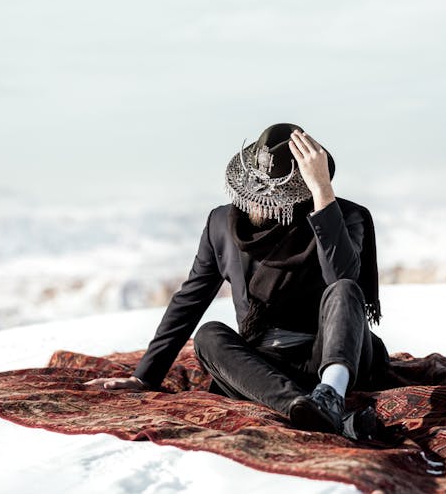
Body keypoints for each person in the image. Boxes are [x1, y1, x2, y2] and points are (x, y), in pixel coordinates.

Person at [85, 123, 390, 438]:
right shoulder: (221, 224)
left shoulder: (342, 217)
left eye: (272, 194)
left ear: (298, 194)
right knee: (208, 336)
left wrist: (323, 193)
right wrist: (144, 378)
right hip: (264, 367)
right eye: (253, 187)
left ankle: (329, 396)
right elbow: (190, 299)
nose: (257, 199)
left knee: (343, 289)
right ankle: (309, 410)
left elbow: (343, 281)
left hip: (329, 355)